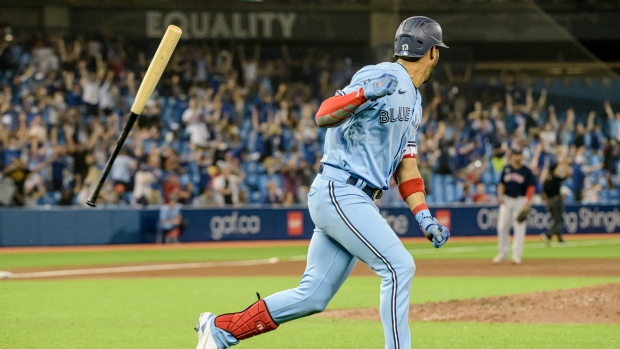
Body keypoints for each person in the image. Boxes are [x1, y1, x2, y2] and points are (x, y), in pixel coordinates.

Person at [194, 16, 450, 349]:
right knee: (399, 268)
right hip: (341, 189)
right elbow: (324, 113)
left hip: (350, 197)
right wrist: (361, 93)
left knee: (313, 296)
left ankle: (220, 329)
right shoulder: (379, 74)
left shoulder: (414, 101)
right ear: (432, 53)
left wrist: (423, 216)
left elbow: (407, 167)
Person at [493, 147, 536, 265]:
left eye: (519, 154)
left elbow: (531, 187)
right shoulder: (506, 169)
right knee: (502, 227)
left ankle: (516, 256)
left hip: (520, 200)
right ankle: (503, 253)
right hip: (507, 200)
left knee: (519, 228)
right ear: (512, 156)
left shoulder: (526, 171)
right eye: (515, 155)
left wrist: (528, 203)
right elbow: (501, 183)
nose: (517, 157)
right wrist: (500, 195)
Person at [540, 159, 571, 246]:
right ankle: (548, 235)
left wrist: (547, 203)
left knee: (556, 220)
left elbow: (544, 194)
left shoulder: (546, 180)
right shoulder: (556, 178)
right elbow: (568, 175)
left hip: (549, 201)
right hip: (556, 200)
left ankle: (559, 238)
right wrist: (564, 165)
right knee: (559, 219)